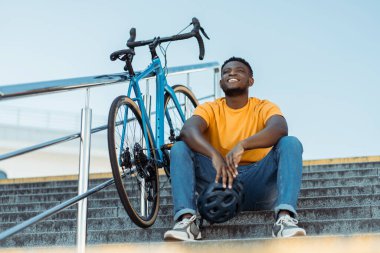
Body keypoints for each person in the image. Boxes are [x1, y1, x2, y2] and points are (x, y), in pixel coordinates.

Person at [163, 57, 306, 241]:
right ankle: (187, 222)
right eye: (226, 72)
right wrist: (214, 154)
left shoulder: (263, 106)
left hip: (258, 181)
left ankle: (285, 219)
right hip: (219, 180)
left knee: (290, 143)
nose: (231, 73)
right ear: (221, 81)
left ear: (250, 81)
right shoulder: (210, 108)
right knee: (180, 148)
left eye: (239, 71)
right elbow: (188, 131)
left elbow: (280, 128)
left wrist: (243, 145)